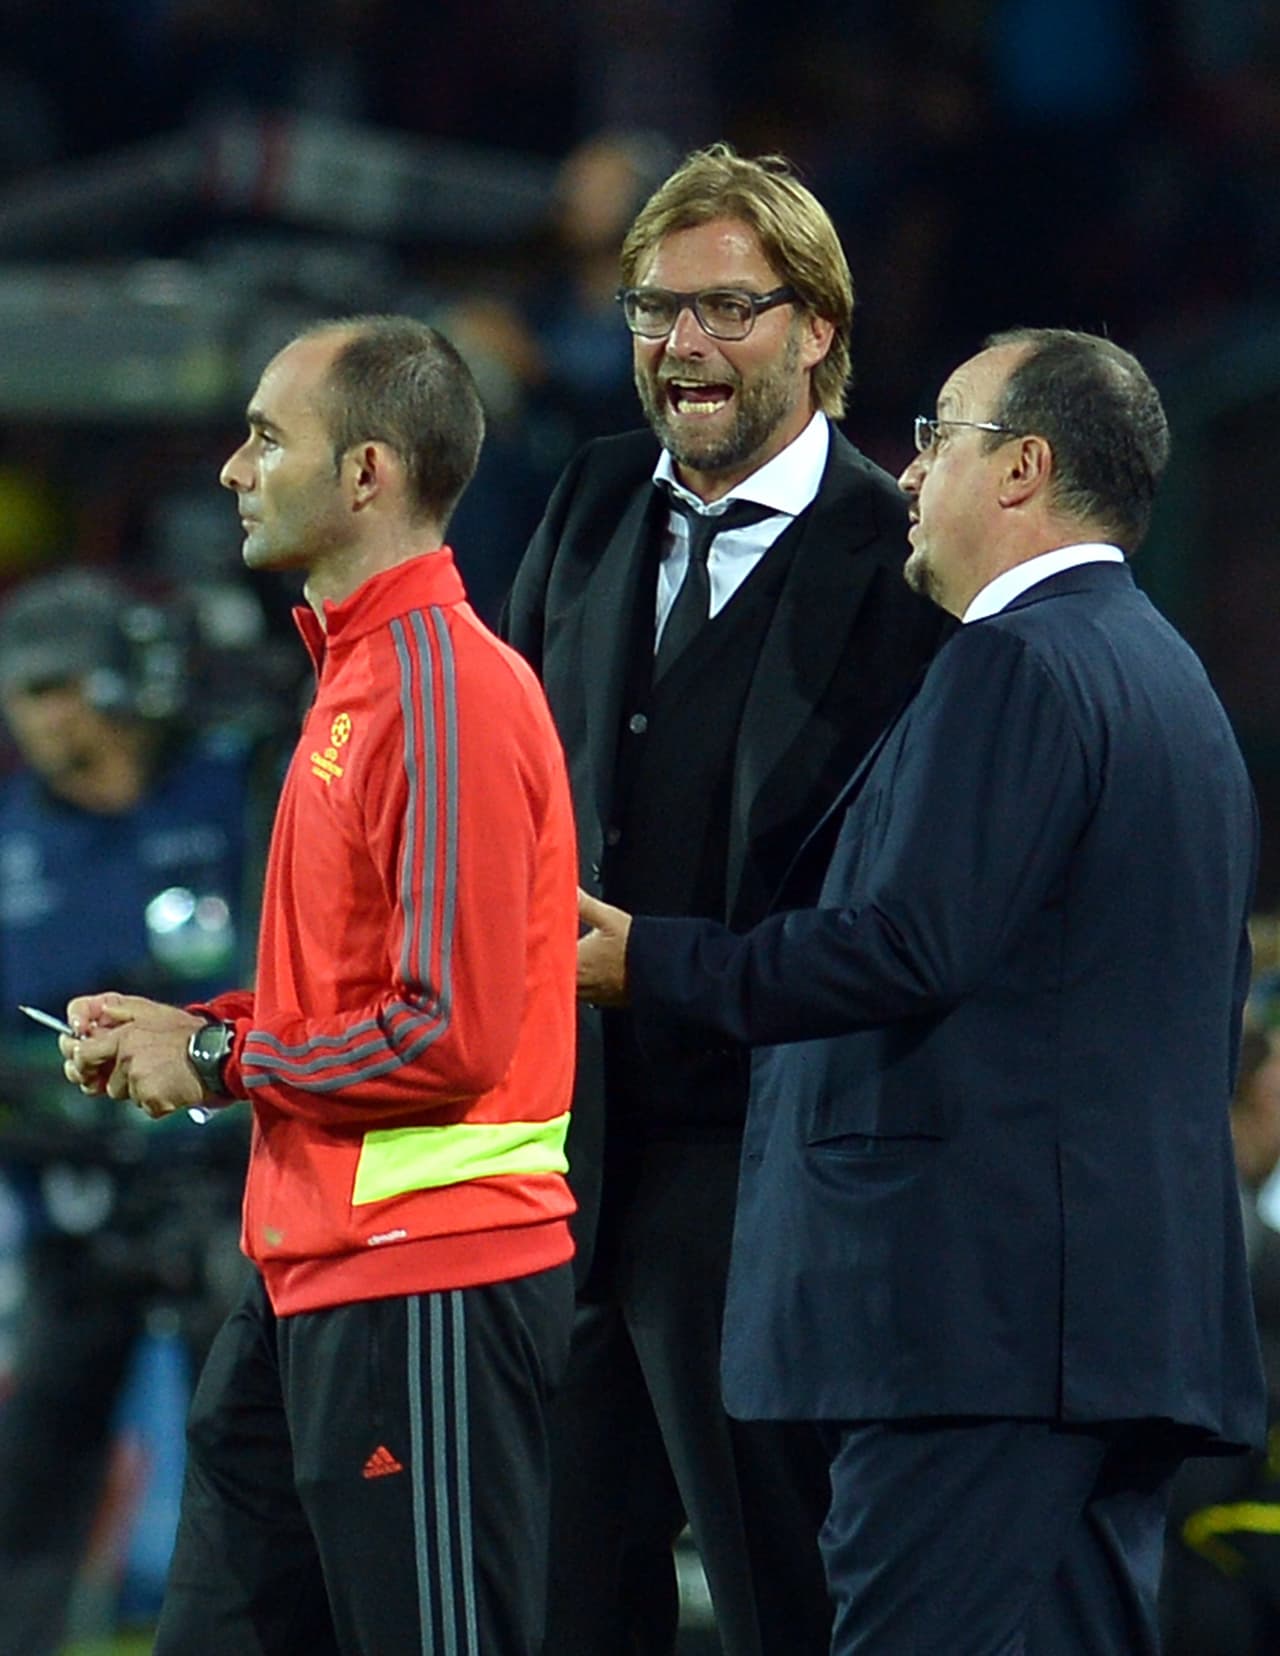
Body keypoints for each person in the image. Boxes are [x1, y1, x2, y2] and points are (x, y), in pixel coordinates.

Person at [577, 327, 1267, 1654]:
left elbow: (904, 946)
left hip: (973, 1330)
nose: (905, 471)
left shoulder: (1015, 664)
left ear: (1021, 468)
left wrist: (650, 962)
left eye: (938, 434)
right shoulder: (1164, 675)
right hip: (1107, 1326)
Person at [61, 316, 581, 1656]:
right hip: (311, 1276)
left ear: (365, 473)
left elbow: (448, 1033)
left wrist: (222, 1065)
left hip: (426, 1287)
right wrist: (196, 1028)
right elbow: (354, 996)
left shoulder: (443, 689)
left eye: (264, 438)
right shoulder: (361, 681)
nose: (232, 471)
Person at [501, 142, 948, 1655]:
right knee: (561, 1603)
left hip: (772, 1173)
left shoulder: (901, 565)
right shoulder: (588, 498)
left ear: (817, 327)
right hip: (565, 1161)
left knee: (786, 1602)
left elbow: (906, 908)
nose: (682, 344)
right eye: (652, 309)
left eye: (726, 309)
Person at [0, 567, 264, 1656]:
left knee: (249, 1459)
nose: (42, 717)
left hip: (234, 1197)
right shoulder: (10, 842)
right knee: (32, 1478)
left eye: (58, 685)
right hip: (77, 1213)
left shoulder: (238, 792)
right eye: (24, 693)